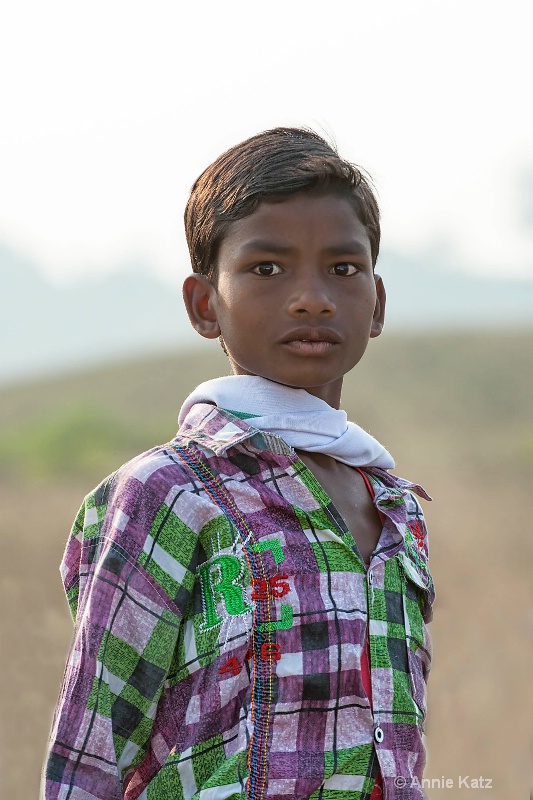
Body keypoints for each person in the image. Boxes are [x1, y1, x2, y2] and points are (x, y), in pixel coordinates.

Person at [42, 128, 434, 800]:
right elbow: (91, 755)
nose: (310, 296)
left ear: (376, 304)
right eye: (266, 268)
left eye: (342, 268)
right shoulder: (167, 493)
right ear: (204, 305)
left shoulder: (393, 506)